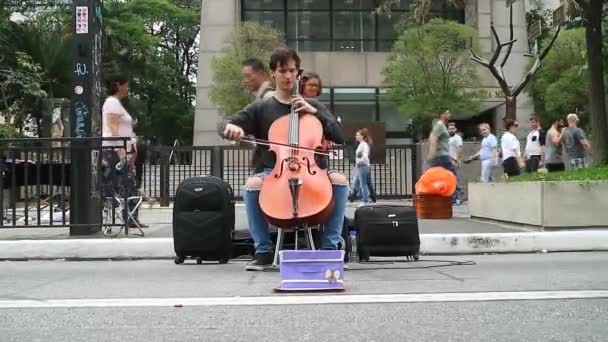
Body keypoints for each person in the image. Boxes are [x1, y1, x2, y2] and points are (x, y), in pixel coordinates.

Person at [219, 47, 348, 271]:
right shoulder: (261, 108)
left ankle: (330, 249)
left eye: (292, 70)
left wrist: (314, 112)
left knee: (340, 180)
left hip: (311, 172)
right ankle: (263, 251)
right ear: (273, 74)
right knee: (252, 184)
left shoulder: (313, 106)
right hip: (273, 172)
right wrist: (229, 127)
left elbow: (339, 136)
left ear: (298, 73)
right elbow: (224, 124)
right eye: (282, 71)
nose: (288, 76)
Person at [100, 74, 147, 228]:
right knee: (125, 183)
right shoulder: (112, 102)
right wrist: (119, 147)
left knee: (128, 183)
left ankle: (130, 218)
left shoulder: (116, 103)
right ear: (119, 85)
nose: (127, 88)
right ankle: (127, 217)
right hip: (115, 150)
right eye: (126, 85)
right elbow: (112, 126)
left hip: (121, 149)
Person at [427, 109, 455, 174]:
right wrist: (431, 154)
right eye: (447, 113)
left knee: (444, 178)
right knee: (452, 177)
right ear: (442, 115)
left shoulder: (442, 125)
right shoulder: (439, 125)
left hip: (443, 156)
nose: (449, 115)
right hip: (441, 157)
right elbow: (433, 138)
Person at [351, 128, 373, 206]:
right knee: (356, 182)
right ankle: (360, 197)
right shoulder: (361, 144)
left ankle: (365, 200)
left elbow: (365, 156)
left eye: (357, 135)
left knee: (363, 184)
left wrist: (361, 161)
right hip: (360, 166)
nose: (356, 136)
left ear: (362, 136)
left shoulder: (364, 145)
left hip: (362, 166)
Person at [448, 122, 463, 205]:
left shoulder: (457, 138)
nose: (451, 130)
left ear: (455, 129)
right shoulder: (447, 138)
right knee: (450, 180)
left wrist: (457, 160)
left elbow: (459, 149)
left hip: (454, 161)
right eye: (450, 128)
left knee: (456, 180)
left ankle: (457, 199)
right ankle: (452, 199)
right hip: (447, 161)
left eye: (452, 128)